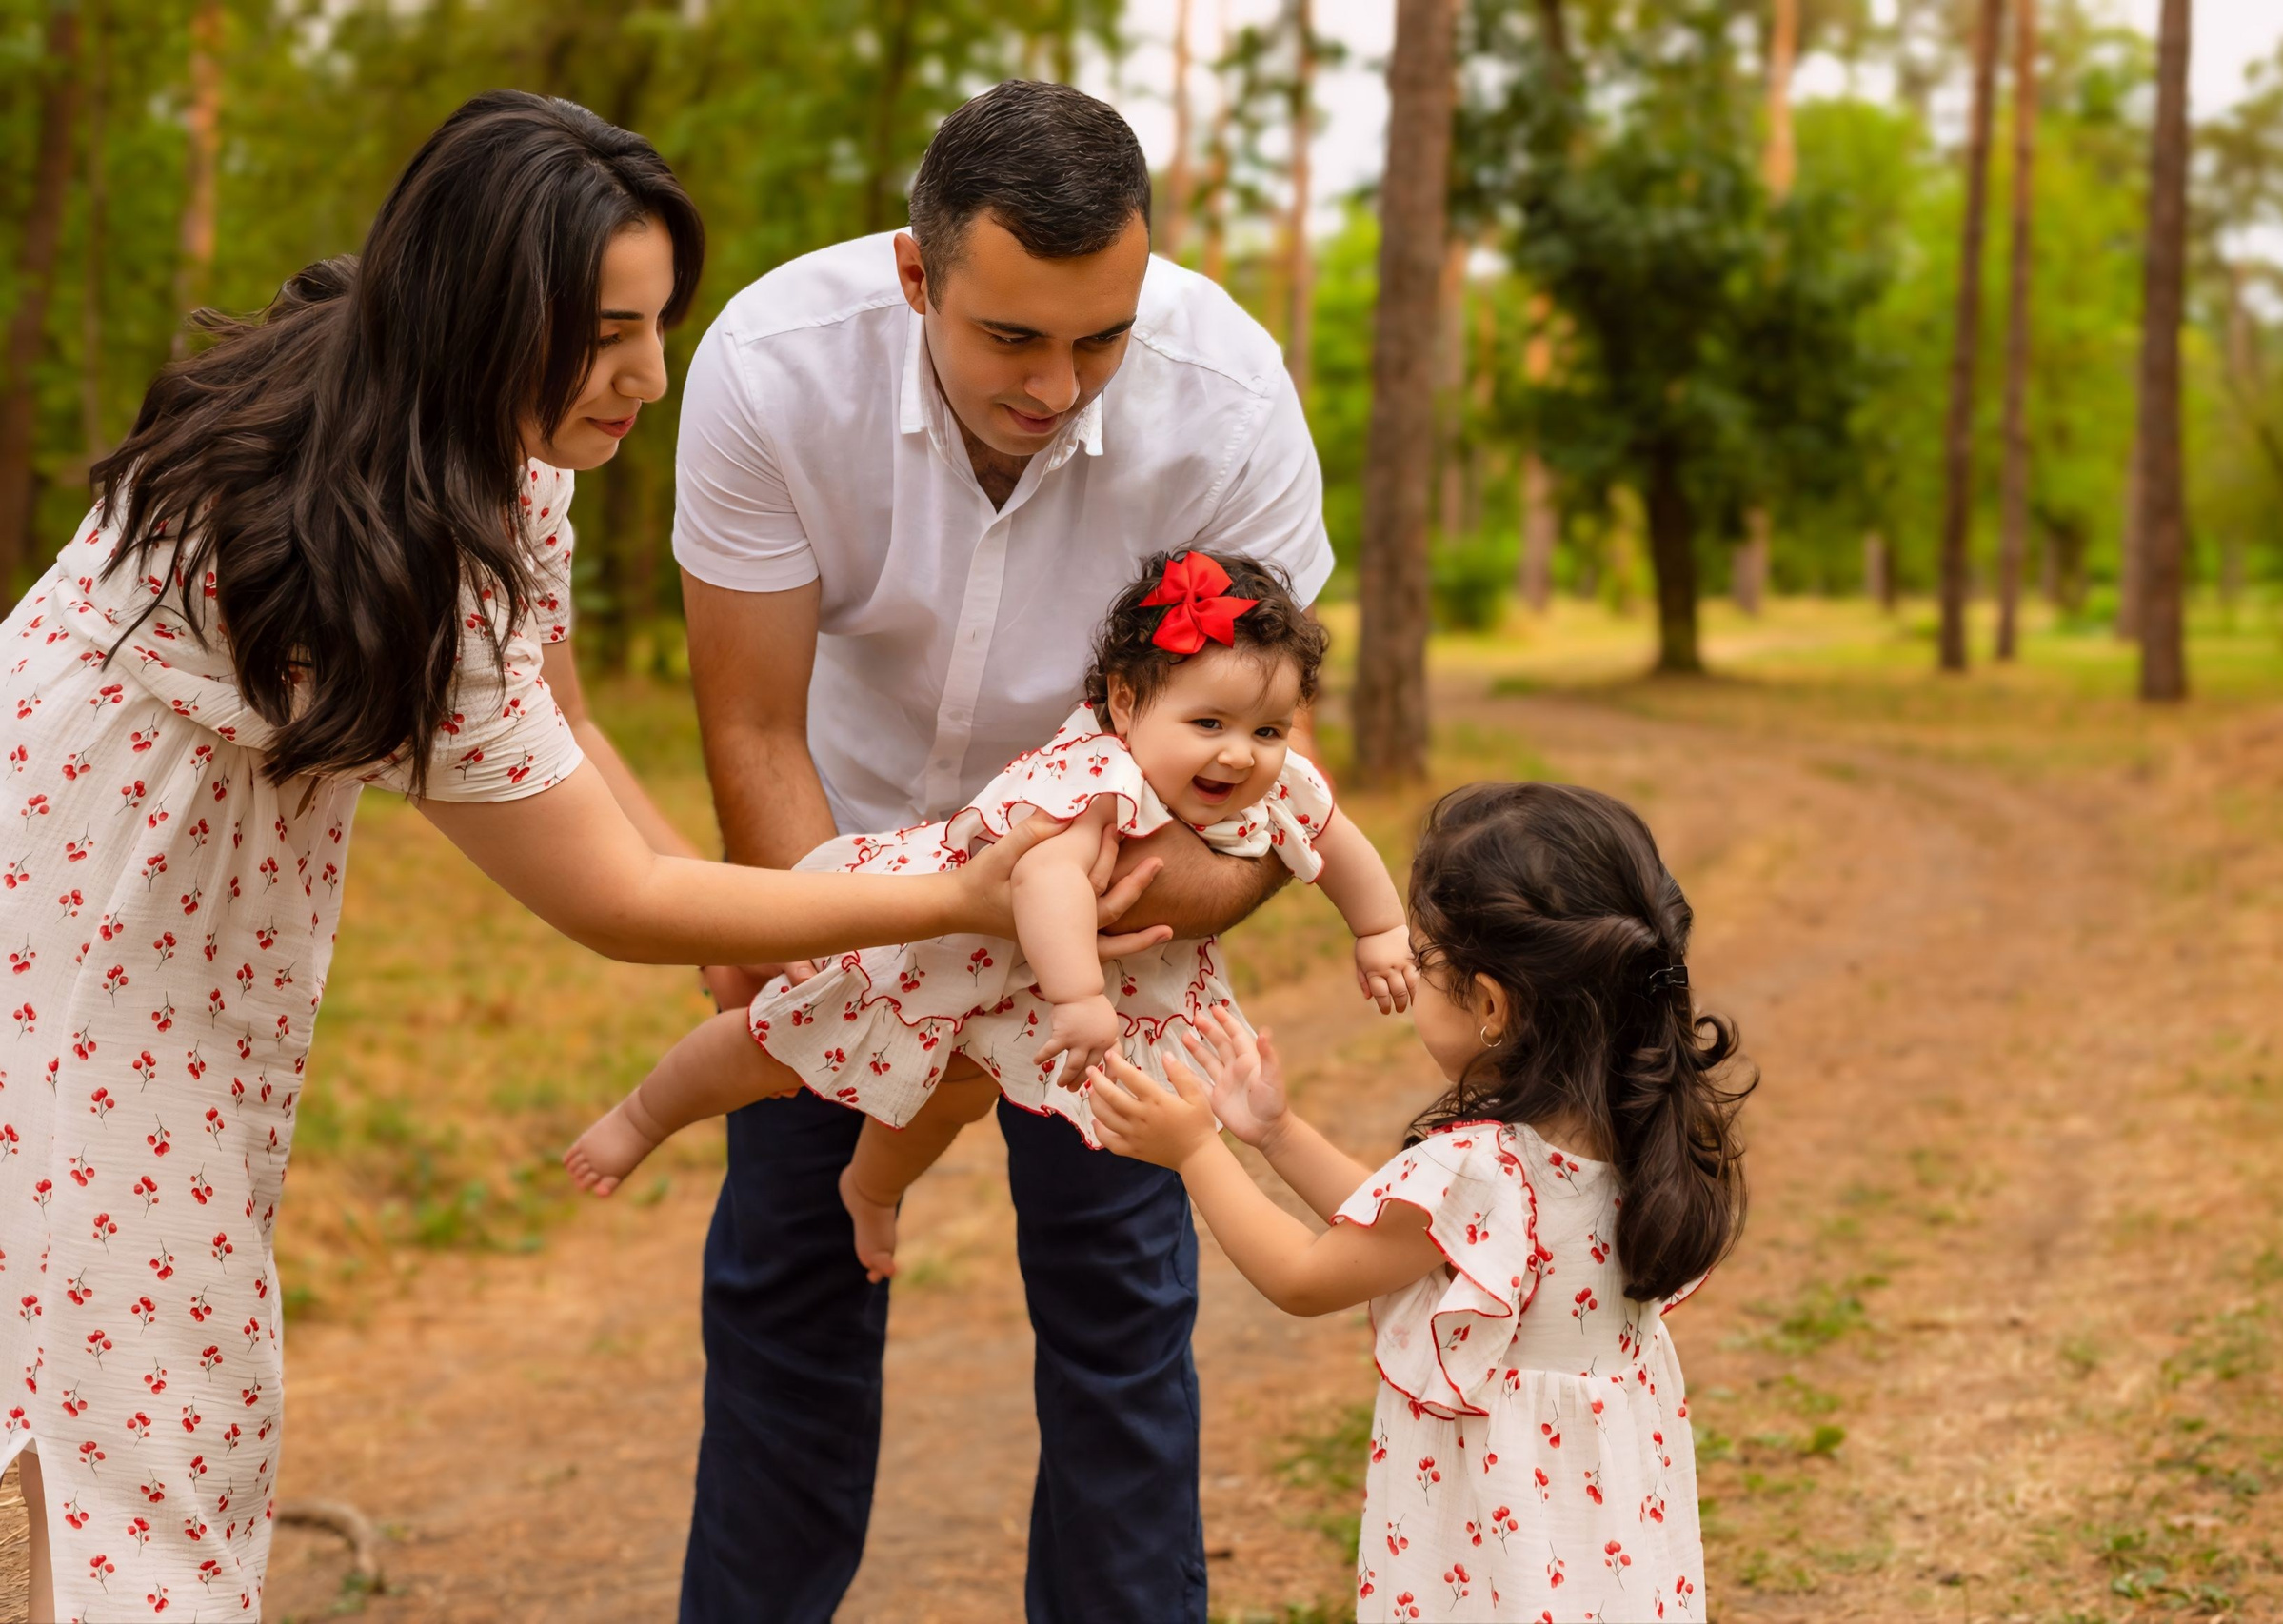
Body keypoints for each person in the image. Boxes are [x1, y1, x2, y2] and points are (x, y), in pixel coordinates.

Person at [0, 90, 1151, 1623]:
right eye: (607, 334)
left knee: (141, 1367)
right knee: (134, 1393)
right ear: (480, 314)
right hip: (75, 936)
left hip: (182, 932)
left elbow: (571, 722)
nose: (651, 376)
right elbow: (611, 896)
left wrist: (751, 935)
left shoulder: (474, 441)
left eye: (658, 323)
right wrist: (955, 892)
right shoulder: (393, 551)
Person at [670, 80, 1331, 1621]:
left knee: (1121, 1316)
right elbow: (753, 725)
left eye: (1101, 340)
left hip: (1111, 907)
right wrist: (848, 958)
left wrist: (1090, 941)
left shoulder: (1231, 400)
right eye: (1013, 338)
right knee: (789, 1295)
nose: (1058, 386)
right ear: (918, 274)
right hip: (846, 865)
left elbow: (1275, 773)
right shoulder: (772, 364)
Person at [566, 550, 1417, 1283]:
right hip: (938, 943)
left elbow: (1329, 833)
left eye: (1268, 730)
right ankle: (642, 1115)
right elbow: (1044, 879)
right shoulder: (1097, 779)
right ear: (1125, 705)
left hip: (1016, 986)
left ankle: (870, 1191)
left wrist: (1377, 929)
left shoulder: (1272, 776)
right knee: (775, 1042)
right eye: (1209, 723)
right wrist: (1080, 997)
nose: (1240, 753)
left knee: (945, 1101)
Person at [1090, 782, 1755, 1623]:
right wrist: (1277, 1133)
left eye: (1426, 957)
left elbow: (1305, 1277)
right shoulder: (1638, 1126)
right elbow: (1413, 1235)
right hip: (1599, 1521)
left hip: (1500, 1529)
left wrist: (1195, 1151)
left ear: (1491, 1004)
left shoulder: (1484, 1167)